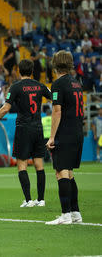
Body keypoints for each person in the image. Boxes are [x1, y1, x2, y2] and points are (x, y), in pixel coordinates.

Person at [0, 59, 51, 207]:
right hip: (38, 128)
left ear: (19, 71)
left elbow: (5, 109)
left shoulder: (15, 87)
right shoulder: (40, 86)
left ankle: (28, 200)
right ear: (32, 71)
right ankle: (41, 200)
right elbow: (54, 98)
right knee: (39, 164)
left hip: (23, 128)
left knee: (22, 165)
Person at [45, 51, 83, 225]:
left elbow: (57, 111)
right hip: (77, 132)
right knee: (69, 173)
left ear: (55, 64)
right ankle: (75, 213)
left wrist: (52, 137)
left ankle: (65, 214)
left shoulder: (58, 84)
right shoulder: (77, 83)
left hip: (65, 132)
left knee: (61, 172)